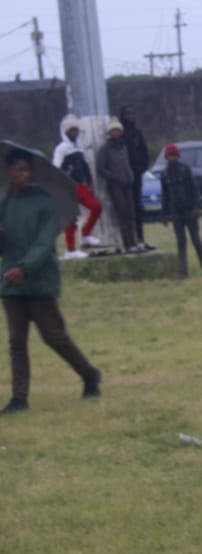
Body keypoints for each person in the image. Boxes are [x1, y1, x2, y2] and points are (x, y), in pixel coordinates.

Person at [1, 147, 102, 415]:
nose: (25, 175)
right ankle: (19, 398)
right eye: (20, 170)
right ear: (9, 173)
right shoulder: (5, 204)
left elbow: (45, 243)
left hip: (39, 280)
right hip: (11, 283)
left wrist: (25, 267)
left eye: (27, 170)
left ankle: (89, 374)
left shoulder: (44, 202)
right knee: (16, 342)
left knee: (54, 336)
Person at [50, 115, 102, 259]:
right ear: (65, 132)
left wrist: (90, 183)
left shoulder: (79, 148)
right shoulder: (61, 149)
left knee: (96, 206)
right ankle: (71, 250)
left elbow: (85, 167)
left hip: (80, 186)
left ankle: (86, 234)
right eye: (71, 130)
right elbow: (56, 168)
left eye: (76, 130)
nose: (74, 133)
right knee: (71, 218)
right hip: (68, 186)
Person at [159, 144, 202, 278]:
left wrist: (196, 207)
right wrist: (164, 214)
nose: (171, 157)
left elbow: (194, 189)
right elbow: (165, 195)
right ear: (166, 157)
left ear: (177, 156)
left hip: (189, 210)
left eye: (173, 155)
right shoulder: (164, 174)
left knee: (196, 241)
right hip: (176, 212)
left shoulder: (185, 169)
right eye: (169, 155)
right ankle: (183, 272)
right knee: (181, 242)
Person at [96, 120, 141, 253]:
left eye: (118, 130)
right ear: (109, 133)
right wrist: (114, 178)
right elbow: (101, 168)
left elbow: (127, 163)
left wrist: (130, 176)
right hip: (116, 185)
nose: (116, 133)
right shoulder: (105, 148)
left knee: (131, 214)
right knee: (123, 214)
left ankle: (134, 241)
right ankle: (127, 244)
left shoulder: (123, 147)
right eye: (113, 131)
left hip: (128, 184)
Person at [118, 104, 153, 250]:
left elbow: (144, 153)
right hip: (123, 178)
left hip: (137, 176)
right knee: (126, 210)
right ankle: (128, 241)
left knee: (138, 209)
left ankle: (140, 238)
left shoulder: (137, 133)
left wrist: (142, 168)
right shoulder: (120, 134)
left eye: (133, 113)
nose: (130, 116)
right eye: (128, 114)